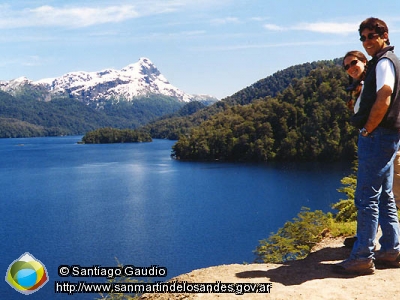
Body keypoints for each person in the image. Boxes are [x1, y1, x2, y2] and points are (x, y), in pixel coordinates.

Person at [333, 17, 400, 275]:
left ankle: (362, 256)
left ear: (384, 35)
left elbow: (385, 94)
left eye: (371, 36)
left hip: (378, 136)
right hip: (389, 135)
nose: (367, 41)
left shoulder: (384, 62)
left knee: (366, 198)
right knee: (384, 196)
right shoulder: (390, 61)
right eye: (363, 38)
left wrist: (368, 129)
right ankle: (391, 250)